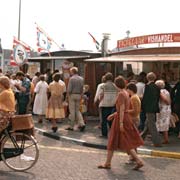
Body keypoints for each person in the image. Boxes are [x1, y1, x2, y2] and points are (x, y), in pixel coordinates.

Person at [98, 76, 144, 170]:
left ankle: (108, 163)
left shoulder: (121, 94)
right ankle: (137, 160)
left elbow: (122, 109)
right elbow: (123, 109)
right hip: (124, 117)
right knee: (125, 141)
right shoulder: (126, 93)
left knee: (113, 140)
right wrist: (114, 115)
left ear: (116, 84)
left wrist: (121, 122)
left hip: (121, 119)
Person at [141, 72, 162, 146]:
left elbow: (145, 98)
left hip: (148, 108)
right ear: (155, 78)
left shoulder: (146, 87)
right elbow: (158, 98)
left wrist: (142, 107)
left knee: (152, 125)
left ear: (147, 78)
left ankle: (157, 142)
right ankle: (140, 138)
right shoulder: (157, 87)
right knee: (148, 124)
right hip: (154, 107)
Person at [98, 72, 118, 137]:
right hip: (113, 105)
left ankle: (104, 134)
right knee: (111, 120)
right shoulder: (115, 86)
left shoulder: (103, 86)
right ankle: (112, 134)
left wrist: (100, 101)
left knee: (104, 120)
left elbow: (101, 95)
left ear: (106, 78)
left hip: (104, 105)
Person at [66, 67, 85, 132]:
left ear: (72, 72)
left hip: (72, 95)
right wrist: (81, 96)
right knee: (77, 110)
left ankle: (71, 126)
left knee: (72, 111)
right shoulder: (81, 78)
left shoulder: (71, 79)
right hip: (79, 95)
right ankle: (82, 124)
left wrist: (67, 97)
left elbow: (69, 89)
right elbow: (82, 88)